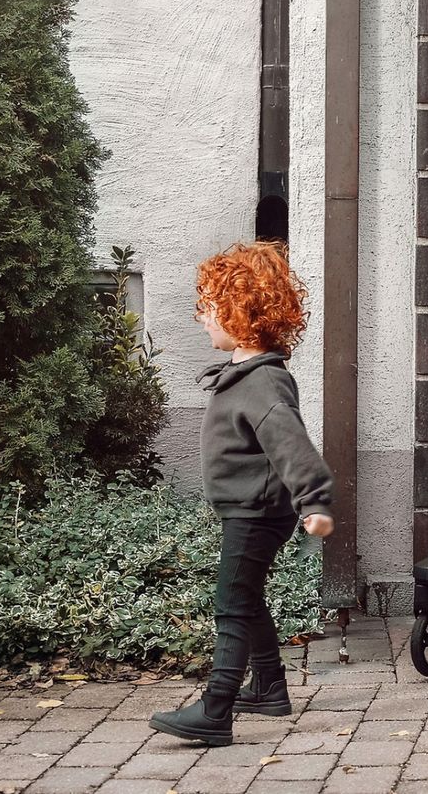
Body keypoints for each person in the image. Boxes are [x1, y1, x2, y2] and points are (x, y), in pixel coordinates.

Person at [149, 241, 335, 747]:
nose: (203, 318)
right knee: (246, 595)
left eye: (209, 308)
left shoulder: (264, 384)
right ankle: (269, 686)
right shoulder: (245, 378)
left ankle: (215, 710)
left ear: (242, 312)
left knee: (231, 604)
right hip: (248, 507)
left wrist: (315, 501)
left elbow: (292, 445)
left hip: (257, 511)